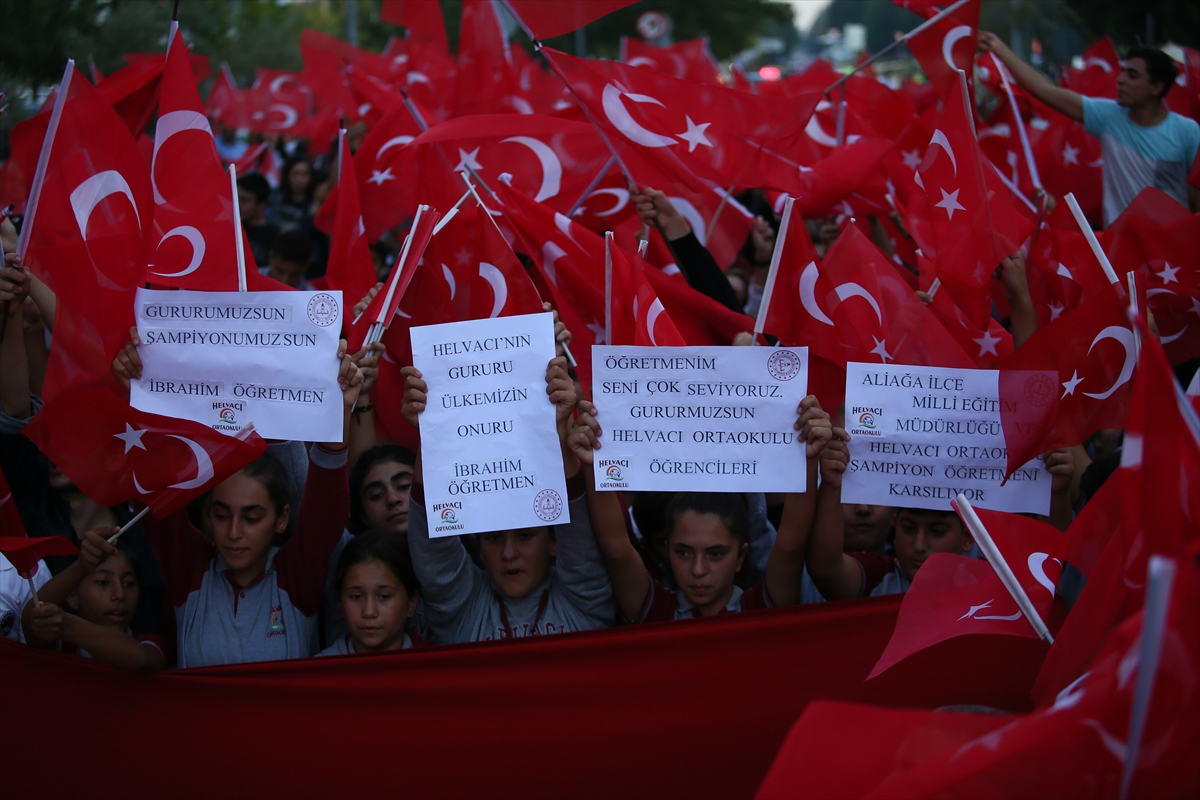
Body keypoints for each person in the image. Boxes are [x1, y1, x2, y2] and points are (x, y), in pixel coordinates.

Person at [110, 335, 363, 666]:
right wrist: (138, 389)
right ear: (205, 516)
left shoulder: (295, 575)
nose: (233, 532)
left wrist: (338, 410)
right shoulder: (190, 570)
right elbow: (151, 491)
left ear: (282, 518)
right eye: (221, 514)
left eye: (252, 517)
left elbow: (326, 515)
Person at [398, 357, 615, 643]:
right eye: (494, 538)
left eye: (526, 536)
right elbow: (433, 555)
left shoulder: (585, 597)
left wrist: (559, 426)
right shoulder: (461, 607)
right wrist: (430, 430)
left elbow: (576, 521)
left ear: (555, 543)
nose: (509, 553)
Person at [571, 396, 833, 622]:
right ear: (667, 546)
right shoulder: (656, 611)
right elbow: (616, 548)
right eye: (683, 552)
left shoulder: (762, 608)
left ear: (741, 557)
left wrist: (808, 458)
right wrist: (595, 464)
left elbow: (791, 544)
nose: (698, 570)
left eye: (716, 554)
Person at [979, 33, 1200, 224]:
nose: (1120, 80)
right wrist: (999, 49)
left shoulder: (1187, 132)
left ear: (1157, 86)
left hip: (1171, 257)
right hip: (1121, 247)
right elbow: (1045, 90)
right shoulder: (1107, 116)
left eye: (1132, 76)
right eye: (1122, 72)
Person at [23, 529, 167, 672]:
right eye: (103, 582)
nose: (120, 594)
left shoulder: (150, 642)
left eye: (129, 583)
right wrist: (81, 567)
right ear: (72, 597)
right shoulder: (62, 648)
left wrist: (67, 625)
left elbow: (141, 660)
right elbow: (32, 620)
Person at [318, 530, 423, 656]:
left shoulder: (436, 669)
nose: (369, 612)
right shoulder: (318, 672)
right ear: (340, 602)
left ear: (412, 602)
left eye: (384, 596)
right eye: (356, 596)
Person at [237, 173, 281, 268]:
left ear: (261, 205)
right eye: (236, 198)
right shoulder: (229, 227)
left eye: (244, 201)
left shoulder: (274, 237)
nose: (237, 205)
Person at [268, 155, 317, 229]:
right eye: (296, 174)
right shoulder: (275, 196)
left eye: (304, 174)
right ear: (287, 175)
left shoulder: (315, 200)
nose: (300, 179)